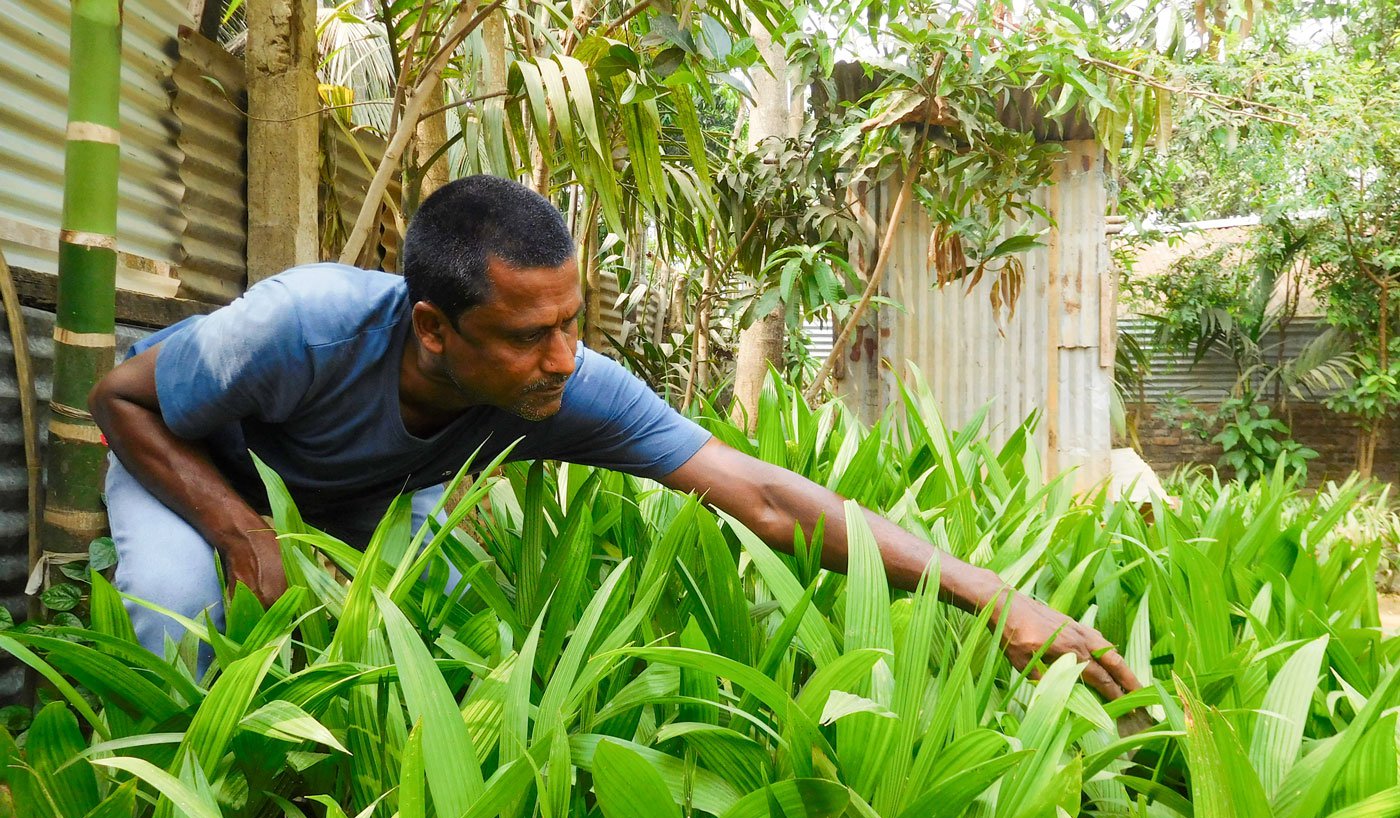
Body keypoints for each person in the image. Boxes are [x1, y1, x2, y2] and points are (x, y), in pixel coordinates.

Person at [90, 174, 1140, 701]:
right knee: (184, 606)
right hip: (190, 467)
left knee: (440, 629)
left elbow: (764, 495)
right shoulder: (297, 323)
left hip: (350, 502)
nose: (562, 358)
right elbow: (116, 399)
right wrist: (238, 529)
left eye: (571, 322)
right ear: (432, 329)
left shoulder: (563, 383)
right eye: (527, 335)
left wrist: (994, 597)